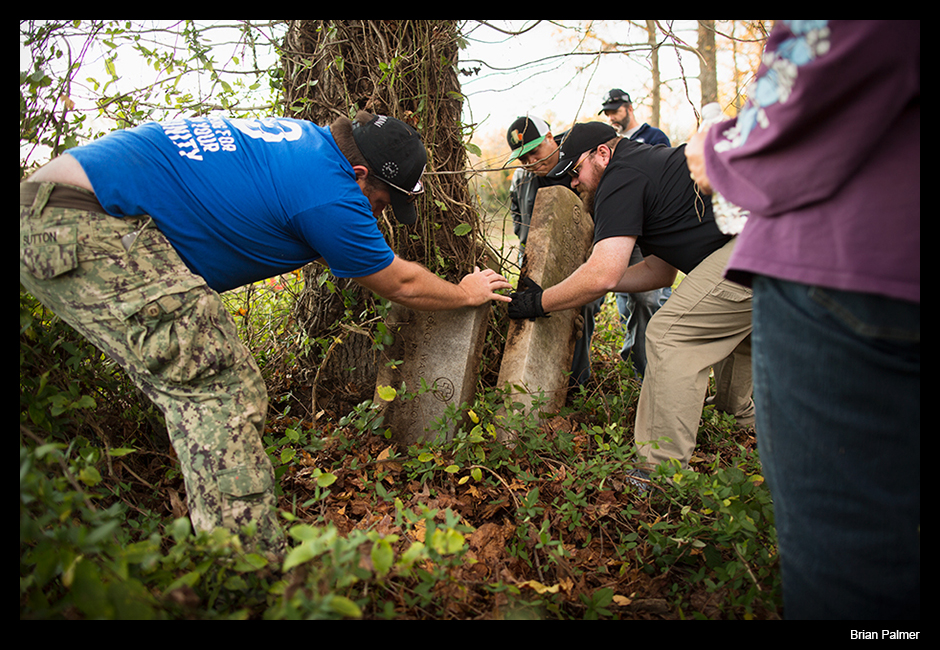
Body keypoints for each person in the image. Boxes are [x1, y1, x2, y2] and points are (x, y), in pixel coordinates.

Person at [20, 111, 512, 558]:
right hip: (85, 223)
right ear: (361, 175)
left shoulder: (303, 142)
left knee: (200, 382)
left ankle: (220, 544)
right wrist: (464, 293)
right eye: (383, 203)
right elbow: (399, 282)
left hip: (59, 209)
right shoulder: (330, 190)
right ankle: (247, 569)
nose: (379, 215)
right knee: (220, 388)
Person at [686, 20, 919, 619]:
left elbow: (827, 47)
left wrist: (719, 150)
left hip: (849, 261)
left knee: (852, 578)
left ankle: (659, 466)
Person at [508, 120, 754, 477]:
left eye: (575, 171)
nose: (574, 182)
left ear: (602, 154)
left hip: (764, 240)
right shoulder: (646, 168)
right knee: (737, 333)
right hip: (779, 237)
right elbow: (659, 272)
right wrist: (582, 285)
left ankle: (658, 472)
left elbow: (603, 273)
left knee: (671, 336)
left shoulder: (619, 177)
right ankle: (738, 418)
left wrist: (541, 301)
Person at [506, 115, 600, 386]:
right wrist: (524, 240)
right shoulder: (522, 178)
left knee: (579, 315)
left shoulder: (579, 162)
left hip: (582, 258)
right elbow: (517, 211)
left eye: (534, 152)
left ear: (550, 139)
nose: (530, 163)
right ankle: (539, 382)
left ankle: (577, 382)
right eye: (523, 159)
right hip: (538, 258)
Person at [599, 88, 671, 376]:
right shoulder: (604, 142)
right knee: (625, 301)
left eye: (615, 111)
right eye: (607, 113)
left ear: (628, 108)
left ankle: (650, 365)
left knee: (649, 298)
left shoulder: (653, 137)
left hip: (646, 231)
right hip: (619, 230)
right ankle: (632, 358)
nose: (611, 117)